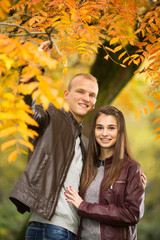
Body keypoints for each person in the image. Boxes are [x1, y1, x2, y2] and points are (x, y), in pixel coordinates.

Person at [65, 105, 145, 240]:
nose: (104, 133)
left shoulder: (131, 168)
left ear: (120, 132)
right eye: (100, 127)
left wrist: (84, 206)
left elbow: (132, 214)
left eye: (111, 128)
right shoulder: (86, 167)